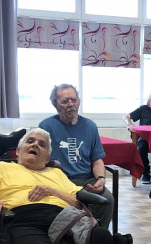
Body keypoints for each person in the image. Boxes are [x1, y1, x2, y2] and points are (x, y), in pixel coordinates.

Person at [39, 84, 114, 228]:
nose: (71, 105)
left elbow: (97, 160)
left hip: (87, 181)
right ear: (56, 105)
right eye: (65, 101)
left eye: (74, 100)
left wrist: (100, 179)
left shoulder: (90, 126)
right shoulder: (45, 127)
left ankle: (96, 237)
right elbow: (37, 161)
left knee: (107, 200)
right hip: (59, 181)